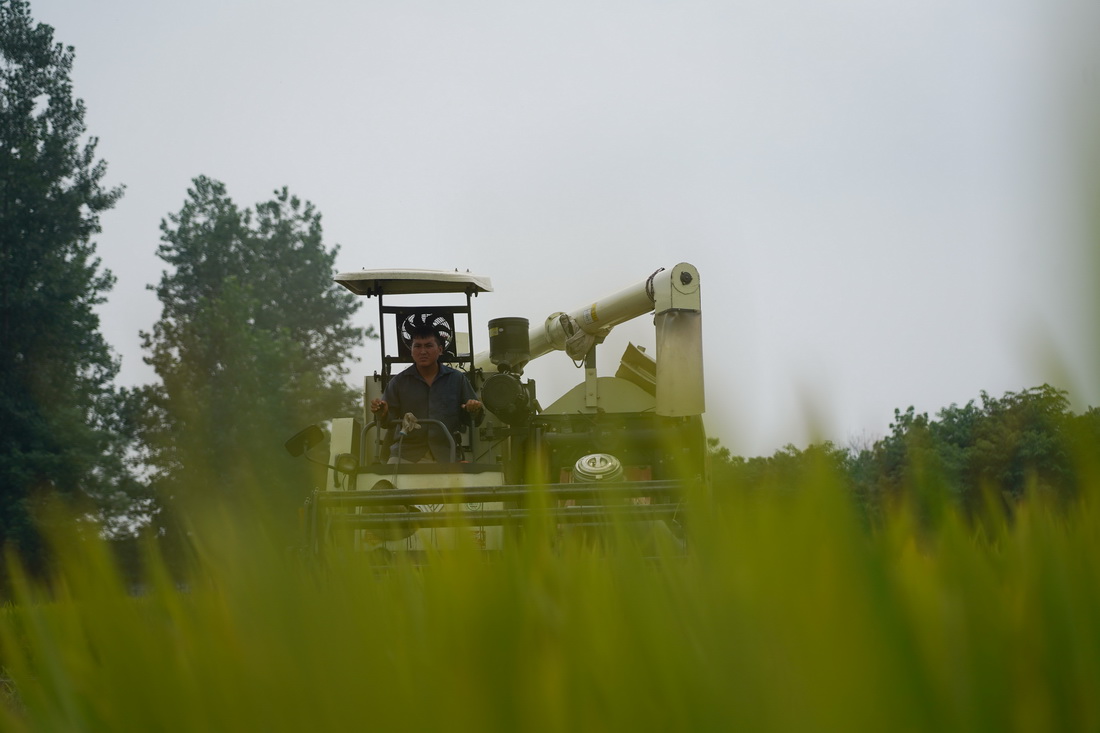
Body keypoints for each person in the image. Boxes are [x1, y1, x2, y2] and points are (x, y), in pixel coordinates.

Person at [369, 324, 483, 463]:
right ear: (411, 351)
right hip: (405, 455)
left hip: (447, 455)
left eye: (428, 346)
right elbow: (386, 422)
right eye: (417, 346)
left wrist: (474, 409)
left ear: (440, 350)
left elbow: (473, 419)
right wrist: (383, 413)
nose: (423, 351)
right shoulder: (398, 382)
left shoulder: (457, 379)